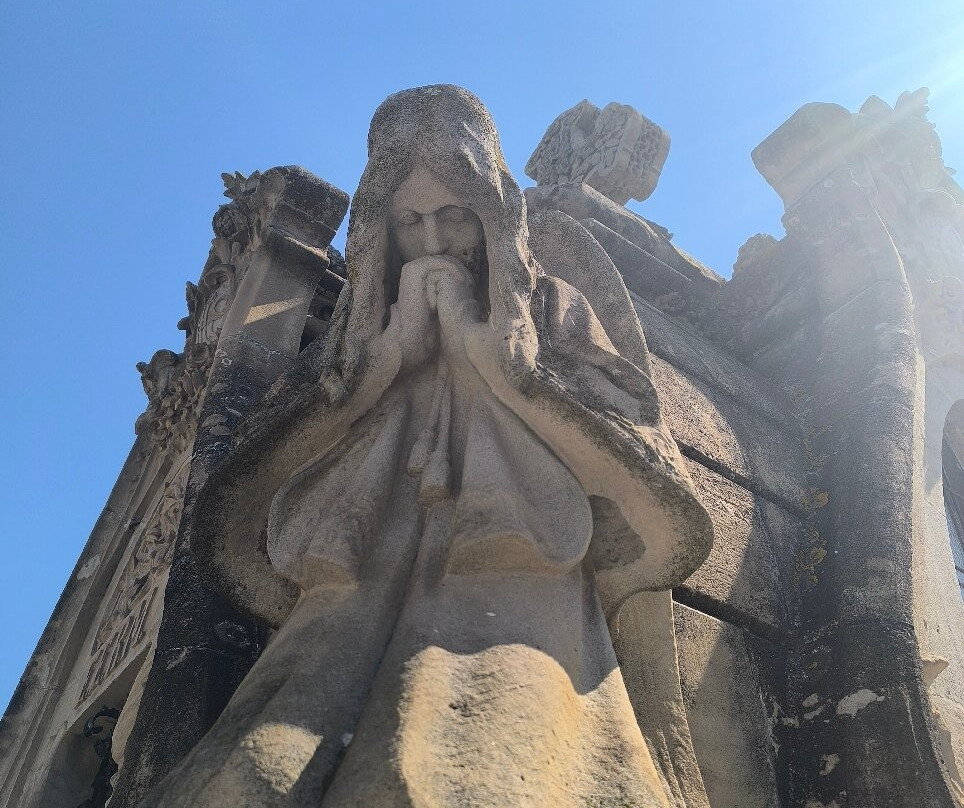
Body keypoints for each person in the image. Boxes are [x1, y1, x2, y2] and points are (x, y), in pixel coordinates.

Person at [146, 84, 714, 808]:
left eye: (455, 217)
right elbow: (241, 503)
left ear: (493, 214)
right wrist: (377, 366)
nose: (437, 242)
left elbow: (656, 488)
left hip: (518, 595)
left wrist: (506, 372)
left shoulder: (546, 310)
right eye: (411, 222)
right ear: (380, 228)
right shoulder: (354, 342)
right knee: (248, 778)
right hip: (345, 603)